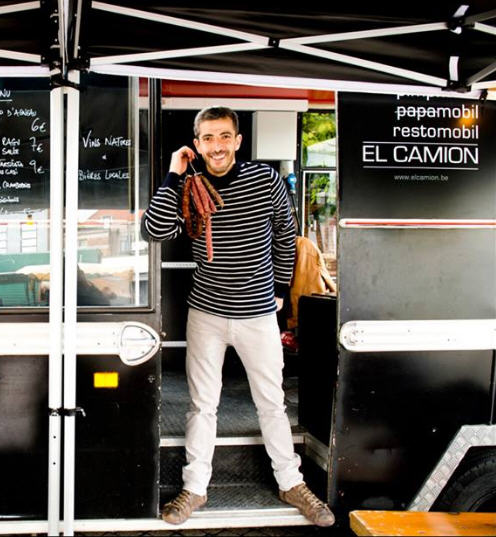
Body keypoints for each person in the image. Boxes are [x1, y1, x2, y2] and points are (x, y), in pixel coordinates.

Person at [142, 106, 335, 527]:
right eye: (208, 138)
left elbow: (286, 233)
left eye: (225, 136)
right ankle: (195, 489)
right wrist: (173, 173)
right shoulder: (188, 186)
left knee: (272, 403)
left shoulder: (265, 179)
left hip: (258, 313)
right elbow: (153, 230)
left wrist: (279, 289)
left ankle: (291, 483)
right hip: (206, 313)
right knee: (202, 405)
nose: (217, 146)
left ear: (238, 141)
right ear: (197, 144)